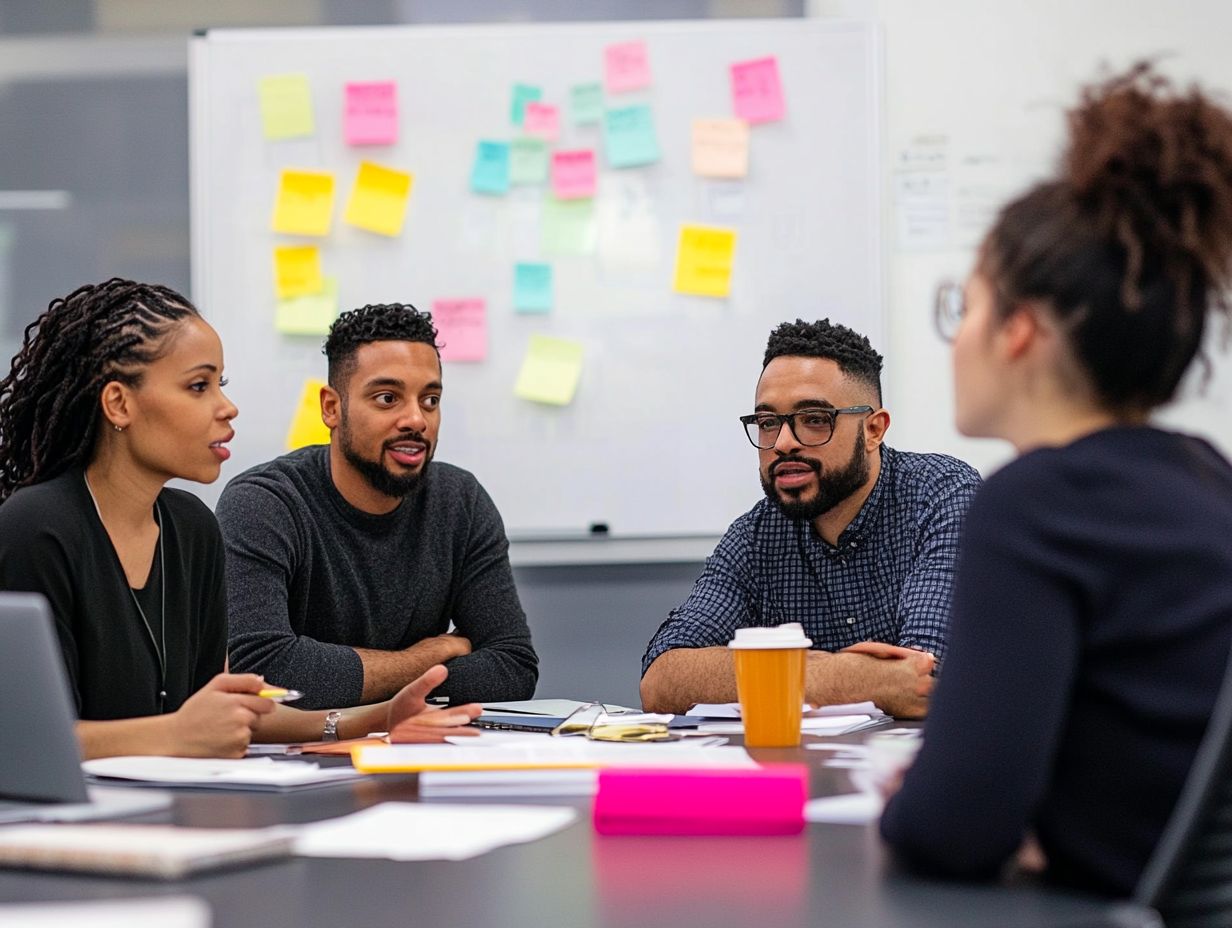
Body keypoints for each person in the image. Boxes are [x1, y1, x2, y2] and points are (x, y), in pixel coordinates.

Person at [880, 64, 1232, 896]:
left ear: (1019, 332)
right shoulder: (1205, 480)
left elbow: (952, 829)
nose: (953, 339)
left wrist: (918, 806)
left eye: (963, 308)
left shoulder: (1035, 505)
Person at [0, 279, 480, 760]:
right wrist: (176, 736)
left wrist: (377, 719)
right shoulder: (36, 527)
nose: (227, 407)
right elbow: (21, 739)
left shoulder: (191, 528)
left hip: (172, 814)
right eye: (198, 386)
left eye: (220, 385)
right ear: (119, 403)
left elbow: (229, 713)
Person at [640, 319, 980, 717]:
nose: (783, 443)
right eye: (767, 423)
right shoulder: (756, 535)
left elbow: (924, 677)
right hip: (802, 771)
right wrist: (835, 675)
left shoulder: (942, 496)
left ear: (873, 430)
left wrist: (773, 674)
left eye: (815, 419)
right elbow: (661, 680)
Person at [217, 303, 538, 710]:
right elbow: (266, 672)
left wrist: (344, 676)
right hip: (294, 758)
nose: (416, 419)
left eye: (430, 399)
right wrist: (424, 658)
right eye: (388, 398)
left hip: (425, 749)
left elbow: (513, 668)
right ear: (331, 408)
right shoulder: (264, 504)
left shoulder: (460, 502)